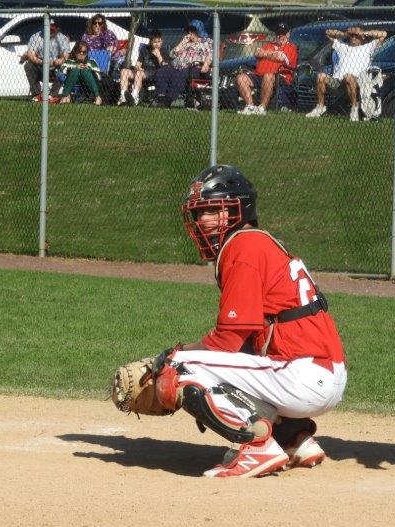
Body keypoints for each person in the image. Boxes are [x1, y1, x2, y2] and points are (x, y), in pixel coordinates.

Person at [147, 165, 347, 478]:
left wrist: (172, 356)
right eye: (199, 213)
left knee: (179, 368)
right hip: (319, 372)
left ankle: (257, 447)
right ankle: (294, 439)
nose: (202, 221)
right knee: (236, 361)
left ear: (236, 211)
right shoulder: (258, 242)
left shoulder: (242, 247)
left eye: (212, 211)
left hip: (301, 375)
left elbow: (228, 339)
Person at [305, 26, 387, 122]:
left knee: (348, 76)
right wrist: (345, 34)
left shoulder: (368, 47)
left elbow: (383, 34)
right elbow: (328, 32)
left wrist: (364, 33)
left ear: (362, 38)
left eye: (356, 36)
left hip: (358, 81)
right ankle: (320, 107)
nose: (353, 37)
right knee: (321, 76)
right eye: (352, 36)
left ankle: (354, 108)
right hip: (338, 81)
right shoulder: (342, 46)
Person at [236, 22, 298, 115]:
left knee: (268, 75)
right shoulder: (269, 44)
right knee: (241, 77)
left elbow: (280, 57)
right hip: (259, 75)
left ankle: (262, 108)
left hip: (280, 78)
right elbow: (257, 53)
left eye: (283, 33)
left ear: (288, 34)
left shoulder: (291, 47)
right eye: (278, 34)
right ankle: (250, 107)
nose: (280, 36)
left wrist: (266, 53)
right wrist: (273, 54)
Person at [152, 23, 212, 108]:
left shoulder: (206, 41)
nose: (189, 33)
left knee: (180, 74)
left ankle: (168, 100)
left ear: (197, 32)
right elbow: (172, 54)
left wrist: (206, 64)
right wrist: (182, 42)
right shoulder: (185, 43)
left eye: (192, 31)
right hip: (176, 66)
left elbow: (211, 54)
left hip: (194, 67)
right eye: (188, 31)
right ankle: (161, 96)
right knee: (161, 72)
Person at [117, 30, 169, 106]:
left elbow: (165, 66)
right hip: (142, 71)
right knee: (124, 71)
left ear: (162, 41)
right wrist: (137, 67)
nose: (157, 44)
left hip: (155, 72)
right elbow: (138, 63)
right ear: (150, 42)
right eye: (155, 42)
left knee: (138, 73)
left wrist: (158, 56)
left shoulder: (163, 50)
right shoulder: (145, 49)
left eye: (159, 42)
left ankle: (134, 97)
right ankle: (123, 97)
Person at [23, 20, 70, 102]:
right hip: (40, 65)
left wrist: (59, 61)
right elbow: (31, 55)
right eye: (48, 28)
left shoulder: (62, 38)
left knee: (63, 67)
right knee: (28, 65)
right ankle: (37, 95)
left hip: (55, 67)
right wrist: (43, 62)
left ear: (56, 28)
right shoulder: (36, 37)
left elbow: (65, 56)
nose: (50, 30)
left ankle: (52, 96)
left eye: (52, 28)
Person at [55, 41, 102, 105]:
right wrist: (75, 67)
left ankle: (97, 97)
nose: (81, 53)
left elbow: (99, 77)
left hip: (88, 82)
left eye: (84, 52)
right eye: (79, 51)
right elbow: (61, 73)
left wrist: (88, 69)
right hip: (72, 82)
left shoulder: (91, 62)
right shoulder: (69, 62)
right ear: (75, 51)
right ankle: (65, 96)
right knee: (76, 70)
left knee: (85, 70)